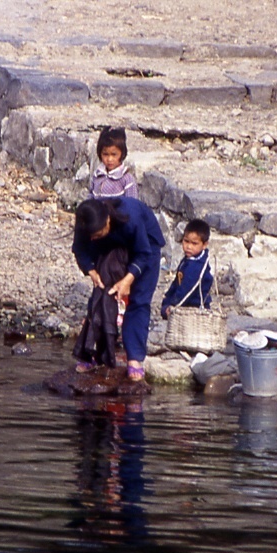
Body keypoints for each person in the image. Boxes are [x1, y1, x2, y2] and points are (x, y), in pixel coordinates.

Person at [72, 197, 165, 382]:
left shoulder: (131, 217)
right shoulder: (86, 221)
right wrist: (91, 271)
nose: (92, 238)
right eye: (90, 235)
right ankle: (93, 354)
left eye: (96, 234)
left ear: (107, 220)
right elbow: (80, 249)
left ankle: (135, 358)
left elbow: (143, 253)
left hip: (145, 246)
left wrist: (128, 280)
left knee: (139, 301)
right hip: (107, 245)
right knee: (101, 296)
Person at [160, 218, 213, 320]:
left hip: (194, 311)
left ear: (205, 245)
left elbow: (185, 291)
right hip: (184, 307)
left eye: (194, 243)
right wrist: (167, 299)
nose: (188, 246)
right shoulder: (187, 260)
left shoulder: (197, 266)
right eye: (186, 241)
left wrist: (171, 305)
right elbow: (177, 282)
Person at [89, 127, 139, 200]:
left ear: (122, 154)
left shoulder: (127, 179)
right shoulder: (97, 175)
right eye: (105, 154)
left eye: (114, 154)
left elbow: (132, 205)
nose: (109, 159)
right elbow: (90, 197)